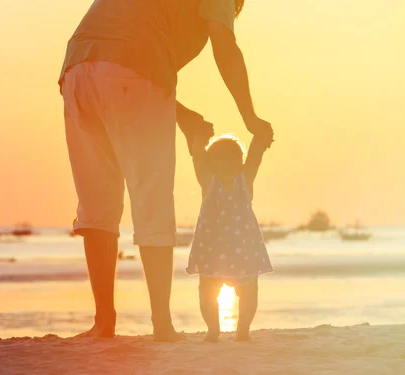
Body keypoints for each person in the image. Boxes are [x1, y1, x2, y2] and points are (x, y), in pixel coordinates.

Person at [58, 0, 273, 342]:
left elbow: (118, 69)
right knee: (152, 202)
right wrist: (250, 118)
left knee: (97, 204)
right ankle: (161, 324)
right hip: (132, 70)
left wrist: (184, 118)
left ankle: (104, 322)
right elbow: (224, 48)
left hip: (76, 69)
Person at [185, 132, 274, 342]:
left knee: (249, 290)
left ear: (240, 160)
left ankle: (243, 329)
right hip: (212, 250)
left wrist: (260, 137)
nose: (228, 162)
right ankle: (213, 329)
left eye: (233, 157)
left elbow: (255, 156)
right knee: (207, 291)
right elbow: (197, 155)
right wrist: (198, 132)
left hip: (243, 248)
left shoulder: (246, 179)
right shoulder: (208, 181)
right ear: (211, 162)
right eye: (220, 157)